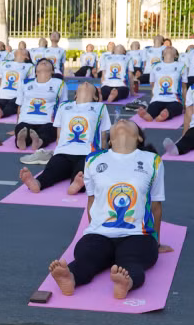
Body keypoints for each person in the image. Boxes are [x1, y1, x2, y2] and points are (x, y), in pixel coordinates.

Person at [48, 119, 170, 299]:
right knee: (87, 258)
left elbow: (156, 205)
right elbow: (91, 201)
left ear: (139, 138)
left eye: (129, 122)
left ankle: (126, 283)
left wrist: (156, 241)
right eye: (117, 122)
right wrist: (93, 231)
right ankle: (70, 277)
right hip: (100, 233)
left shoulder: (152, 160)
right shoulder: (94, 159)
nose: (121, 120)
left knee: (132, 262)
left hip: (138, 235)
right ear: (110, 140)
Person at [19, 82, 110, 190]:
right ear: (75, 95)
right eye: (81, 84)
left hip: (87, 153)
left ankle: (77, 185)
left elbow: (103, 136)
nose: (85, 82)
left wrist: (102, 157)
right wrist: (58, 151)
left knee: (83, 173)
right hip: (64, 152)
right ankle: (37, 183)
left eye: (90, 85)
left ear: (95, 96)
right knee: (52, 169)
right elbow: (59, 135)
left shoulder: (100, 107)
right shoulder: (64, 106)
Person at [14, 59, 68, 150]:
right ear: (35, 71)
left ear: (52, 71)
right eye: (40, 63)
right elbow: (20, 105)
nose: (44, 62)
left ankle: (39, 141)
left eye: (47, 62)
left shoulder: (59, 84)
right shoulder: (25, 83)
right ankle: (21, 141)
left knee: (48, 132)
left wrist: (63, 128)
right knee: (21, 128)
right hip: (26, 120)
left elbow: (63, 106)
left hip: (48, 122)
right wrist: (17, 123)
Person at [136, 47, 186, 122]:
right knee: (153, 107)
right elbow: (152, 86)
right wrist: (152, 101)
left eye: (172, 48)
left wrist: (185, 105)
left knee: (174, 107)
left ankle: (165, 114)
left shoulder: (181, 66)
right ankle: (149, 115)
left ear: (176, 56)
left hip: (174, 99)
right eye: (166, 49)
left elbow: (184, 87)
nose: (169, 48)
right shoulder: (155, 66)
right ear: (162, 54)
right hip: (158, 98)